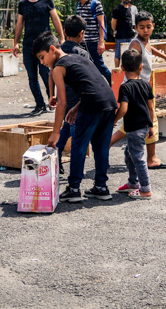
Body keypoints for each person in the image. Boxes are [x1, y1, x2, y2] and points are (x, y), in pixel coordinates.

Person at [37, 30, 117, 203]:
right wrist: (77, 107)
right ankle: (101, 187)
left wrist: (56, 132)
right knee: (101, 147)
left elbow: (62, 102)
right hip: (109, 102)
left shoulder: (58, 68)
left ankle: (73, 189)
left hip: (92, 106)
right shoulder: (80, 57)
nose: (42, 63)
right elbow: (98, 83)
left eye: (42, 57)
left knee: (79, 146)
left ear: (52, 49)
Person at [113, 10, 166, 170]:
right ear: (136, 27)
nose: (146, 30)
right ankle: (152, 158)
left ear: (153, 26)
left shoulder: (145, 41)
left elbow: (150, 49)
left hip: (140, 87)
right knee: (150, 119)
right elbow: (130, 64)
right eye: (141, 27)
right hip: (135, 89)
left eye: (149, 27)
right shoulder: (136, 43)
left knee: (133, 124)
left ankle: (104, 146)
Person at [13, 0, 64, 116]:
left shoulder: (47, 0)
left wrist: (62, 38)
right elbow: (19, 24)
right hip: (28, 45)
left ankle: (52, 100)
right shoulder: (23, 4)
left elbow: (55, 19)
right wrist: (15, 43)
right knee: (31, 77)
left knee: (46, 73)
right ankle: (40, 104)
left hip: (45, 46)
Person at [114, 49, 154, 199]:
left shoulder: (125, 87)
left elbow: (123, 109)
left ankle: (145, 189)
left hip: (134, 129)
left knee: (137, 157)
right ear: (141, 67)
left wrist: (114, 120)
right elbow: (150, 107)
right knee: (129, 153)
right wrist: (151, 127)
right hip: (143, 127)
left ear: (122, 68)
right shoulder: (146, 85)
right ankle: (133, 183)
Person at [53, 15, 91, 172]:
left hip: (64, 97)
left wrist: (52, 94)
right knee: (76, 134)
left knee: (66, 128)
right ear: (81, 33)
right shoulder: (82, 53)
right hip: (78, 100)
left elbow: (51, 73)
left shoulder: (58, 51)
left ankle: (56, 158)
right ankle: (75, 173)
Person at [70, 0, 113, 83]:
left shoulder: (95, 4)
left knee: (100, 67)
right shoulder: (79, 6)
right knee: (86, 68)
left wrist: (101, 42)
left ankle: (116, 88)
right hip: (82, 43)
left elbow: (101, 24)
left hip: (93, 43)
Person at [111, 0, 138, 68]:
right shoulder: (118, 9)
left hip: (129, 35)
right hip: (120, 35)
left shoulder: (130, 8)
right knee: (118, 54)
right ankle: (116, 69)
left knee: (129, 54)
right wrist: (115, 31)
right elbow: (113, 22)